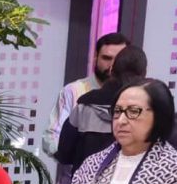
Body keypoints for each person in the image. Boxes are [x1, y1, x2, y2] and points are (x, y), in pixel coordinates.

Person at [54, 43, 177, 184]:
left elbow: (64, 154)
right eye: (118, 111)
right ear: (144, 73)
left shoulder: (84, 107)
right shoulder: (157, 107)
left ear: (112, 70)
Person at [45, 31, 128, 161]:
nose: (112, 66)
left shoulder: (134, 96)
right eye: (106, 58)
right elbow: (53, 135)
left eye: (118, 60)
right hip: (75, 176)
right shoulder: (73, 91)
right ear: (95, 57)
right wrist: (73, 158)